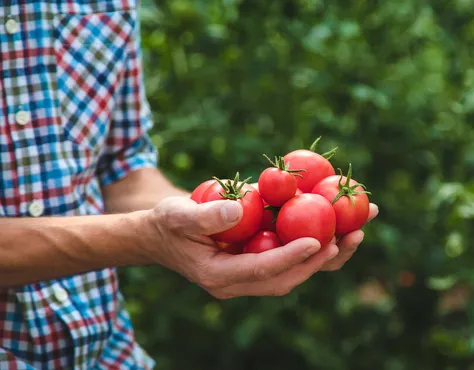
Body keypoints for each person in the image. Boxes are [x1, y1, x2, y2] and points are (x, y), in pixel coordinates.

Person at [0, 1, 378, 369]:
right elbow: (148, 226)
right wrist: (145, 237)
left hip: (107, 355)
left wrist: (211, 219)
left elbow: (123, 169)